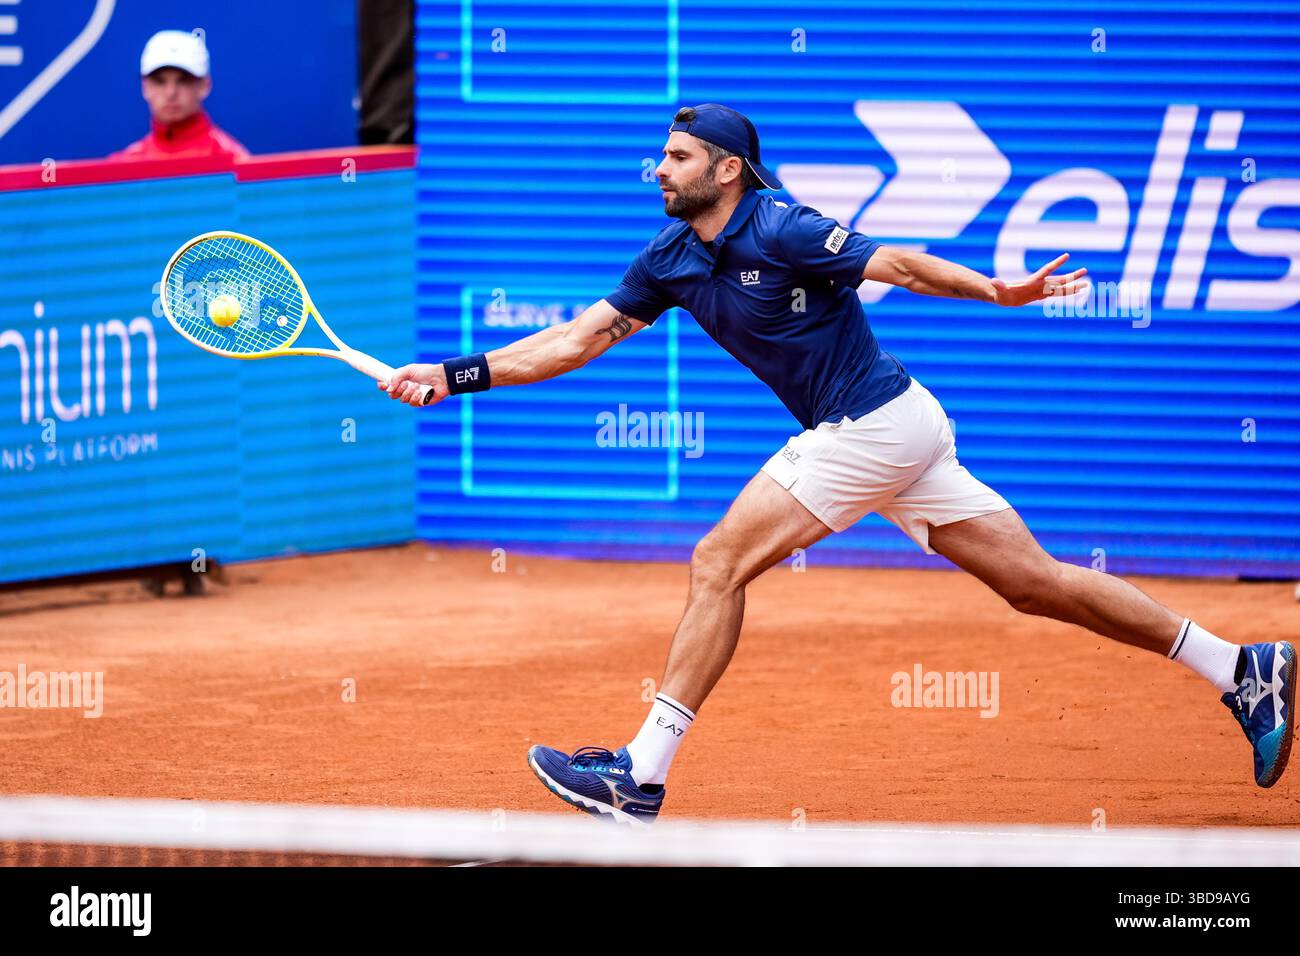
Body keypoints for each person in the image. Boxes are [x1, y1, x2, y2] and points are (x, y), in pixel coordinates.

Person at [382, 103, 1295, 823]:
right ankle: (1240, 666)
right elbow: (579, 341)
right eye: (660, 157)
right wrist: (451, 376)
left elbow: (893, 259)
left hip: (871, 425)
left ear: (727, 169)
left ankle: (641, 775)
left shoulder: (781, 226)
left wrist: (995, 289)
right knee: (1037, 584)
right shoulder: (667, 256)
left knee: (717, 561)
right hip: (901, 428)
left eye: (676, 158)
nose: (657, 169)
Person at [111, 30, 249, 162]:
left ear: (204, 86)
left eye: (183, 80)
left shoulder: (234, 160)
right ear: (145, 87)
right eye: (160, 81)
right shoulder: (123, 165)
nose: (171, 93)